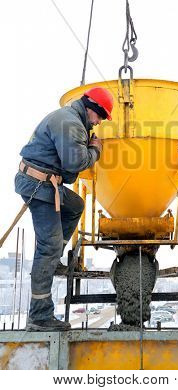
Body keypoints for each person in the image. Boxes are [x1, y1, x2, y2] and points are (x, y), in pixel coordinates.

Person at [15, 87, 113, 331]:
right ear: (92, 109)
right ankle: (39, 316)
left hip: (48, 183)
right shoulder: (71, 124)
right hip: (39, 185)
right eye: (100, 117)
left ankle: (54, 259)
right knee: (48, 246)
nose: (100, 123)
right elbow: (74, 164)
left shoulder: (72, 121)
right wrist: (95, 150)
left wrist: (83, 149)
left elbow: (68, 175)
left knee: (76, 205)